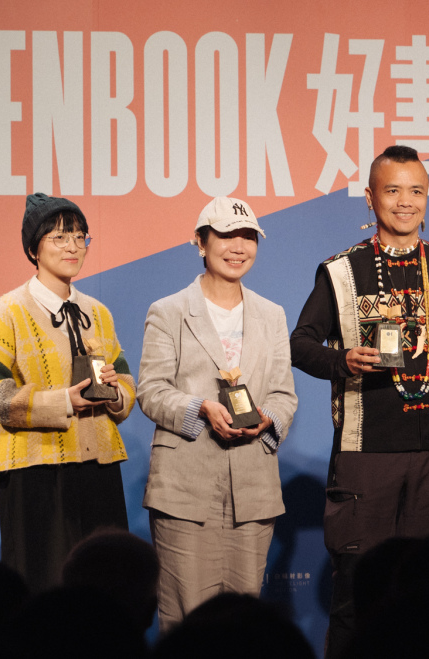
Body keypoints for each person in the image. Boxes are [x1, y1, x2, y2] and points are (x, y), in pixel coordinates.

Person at [290, 145, 429, 657]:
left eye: (416, 191)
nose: (405, 202)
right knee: (358, 590)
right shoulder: (341, 272)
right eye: (393, 191)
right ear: (371, 199)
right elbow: (300, 344)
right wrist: (344, 359)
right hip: (366, 453)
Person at [138, 196, 297, 631]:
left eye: (248, 237)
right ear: (200, 241)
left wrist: (267, 418)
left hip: (253, 489)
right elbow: (151, 390)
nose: (238, 247)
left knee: (243, 623)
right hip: (185, 489)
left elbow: (284, 393)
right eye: (226, 235)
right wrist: (200, 409)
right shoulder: (169, 311)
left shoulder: (272, 314)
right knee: (187, 620)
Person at [0, 193, 135, 592]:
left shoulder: (98, 312)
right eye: (59, 237)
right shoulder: (8, 311)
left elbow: (128, 382)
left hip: (98, 468)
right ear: (33, 248)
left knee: (106, 585)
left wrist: (115, 393)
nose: (72, 247)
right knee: (44, 586)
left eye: (80, 237)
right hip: (36, 473)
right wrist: (61, 402)